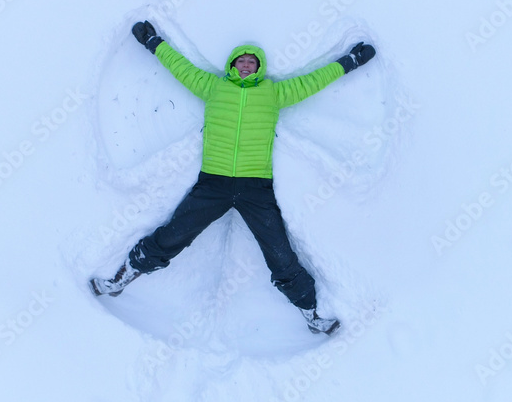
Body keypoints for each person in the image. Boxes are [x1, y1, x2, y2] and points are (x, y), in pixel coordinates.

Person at [90, 21, 376, 335]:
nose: (245, 65)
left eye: (251, 62)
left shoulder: (274, 93)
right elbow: (181, 68)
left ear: (259, 68)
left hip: (256, 187)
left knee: (279, 251)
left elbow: (313, 81)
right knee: (173, 234)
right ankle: (123, 278)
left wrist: (350, 62)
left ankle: (309, 312)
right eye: (240, 60)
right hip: (214, 183)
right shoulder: (214, 87)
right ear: (231, 65)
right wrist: (154, 42)